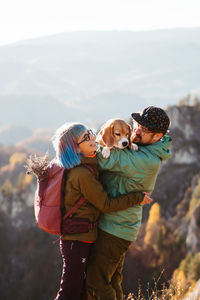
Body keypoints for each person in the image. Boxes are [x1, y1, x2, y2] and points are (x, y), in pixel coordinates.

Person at [51, 122, 152, 300]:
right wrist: (137, 198)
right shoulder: (82, 174)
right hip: (77, 241)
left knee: (82, 291)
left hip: (83, 237)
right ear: (75, 147)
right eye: (85, 138)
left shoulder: (89, 164)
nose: (92, 138)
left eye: (89, 133)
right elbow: (105, 204)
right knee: (70, 291)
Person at [87, 106, 172, 300]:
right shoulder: (141, 149)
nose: (136, 131)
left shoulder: (145, 160)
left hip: (115, 228)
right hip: (119, 225)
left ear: (158, 136)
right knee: (112, 282)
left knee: (96, 282)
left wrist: (84, 139)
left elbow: (101, 157)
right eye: (137, 125)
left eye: (144, 129)